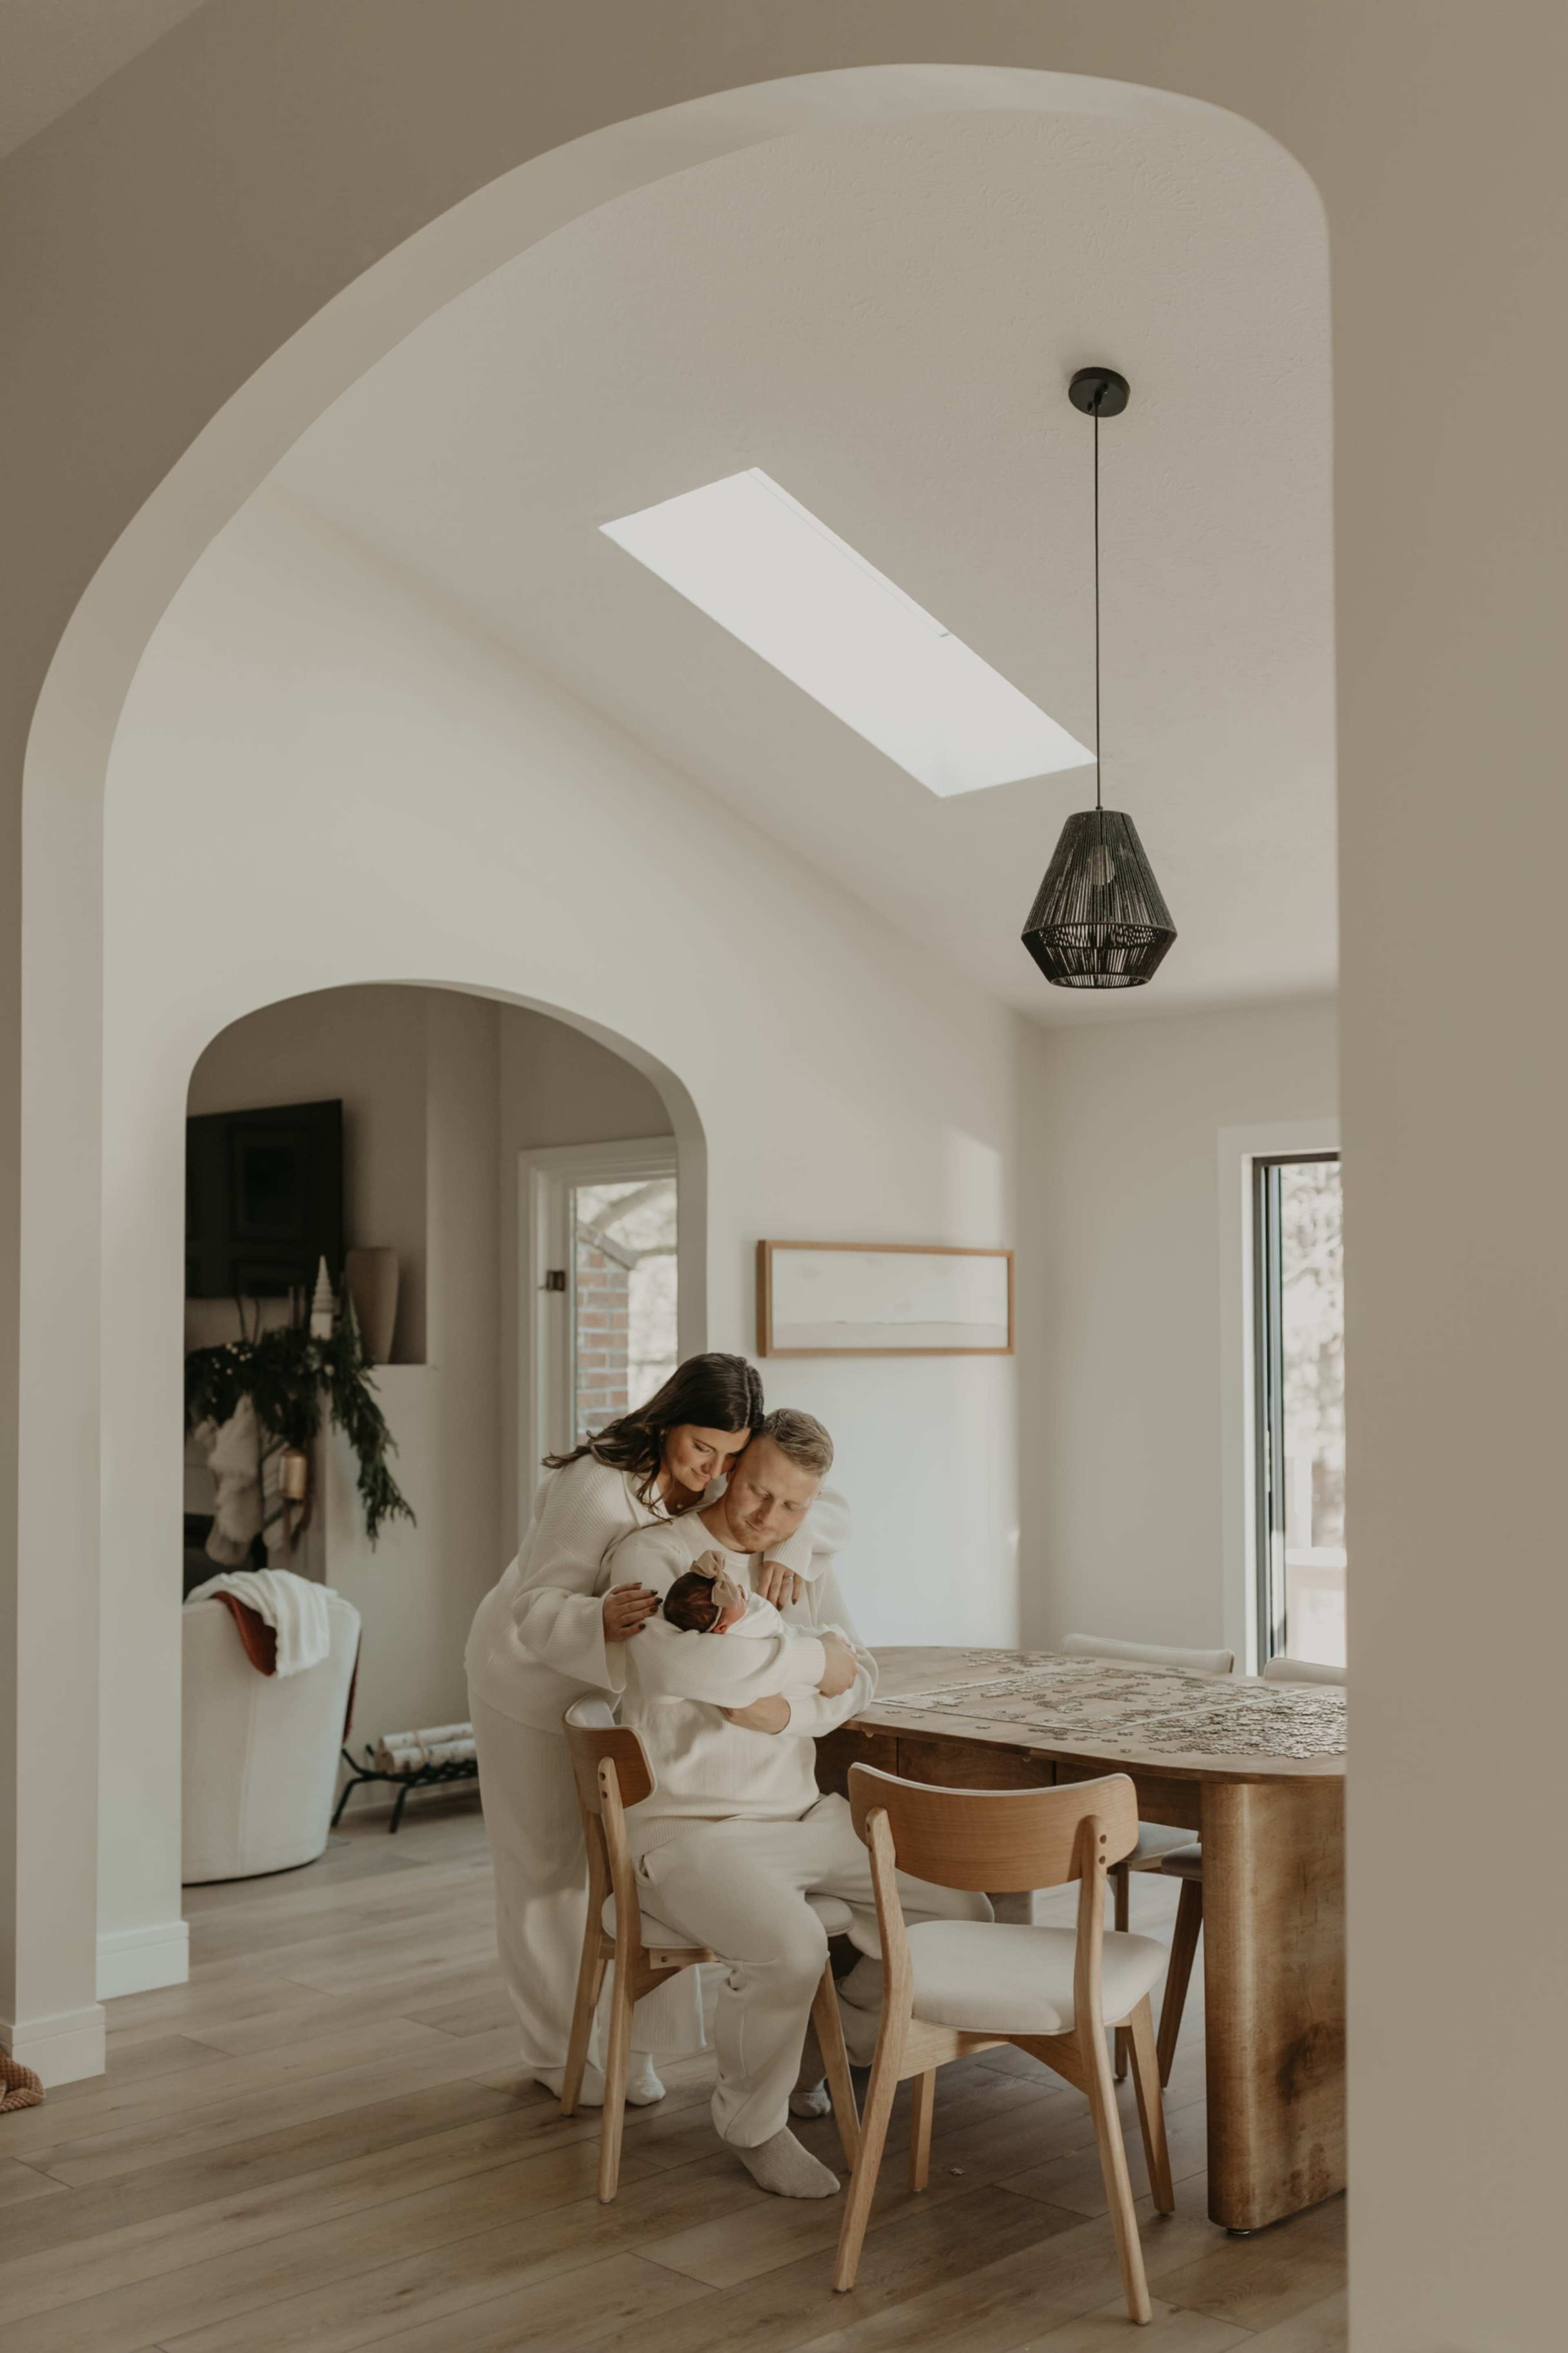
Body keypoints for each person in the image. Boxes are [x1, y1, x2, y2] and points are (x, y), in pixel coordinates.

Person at [606, 1409, 991, 2200]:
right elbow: (695, 1676)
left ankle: (835, 2045)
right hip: (686, 1831)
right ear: (729, 1469)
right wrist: (817, 1658)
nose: (766, 1518)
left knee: (963, 1911)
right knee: (789, 1947)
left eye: (791, 1507)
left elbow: (865, 1678)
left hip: (797, 1817)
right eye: (757, 1493)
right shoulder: (650, 1555)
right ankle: (752, 2121)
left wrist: (791, 1711)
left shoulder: (797, 1564)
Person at [463, 1353, 855, 2106]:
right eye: (702, 1447)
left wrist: (791, 1547)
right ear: (670, 1417)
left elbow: (819, 1500)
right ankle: (560, 2056)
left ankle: (639, 2045)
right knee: (548, 1873)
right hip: (532, 1673)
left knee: (630, 1855)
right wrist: (593, 1618)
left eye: (730, 1455)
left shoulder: (722, 1474)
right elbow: (535, 1604)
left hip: (616, 1678)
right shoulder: (596, 1487)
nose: (714, 1468)